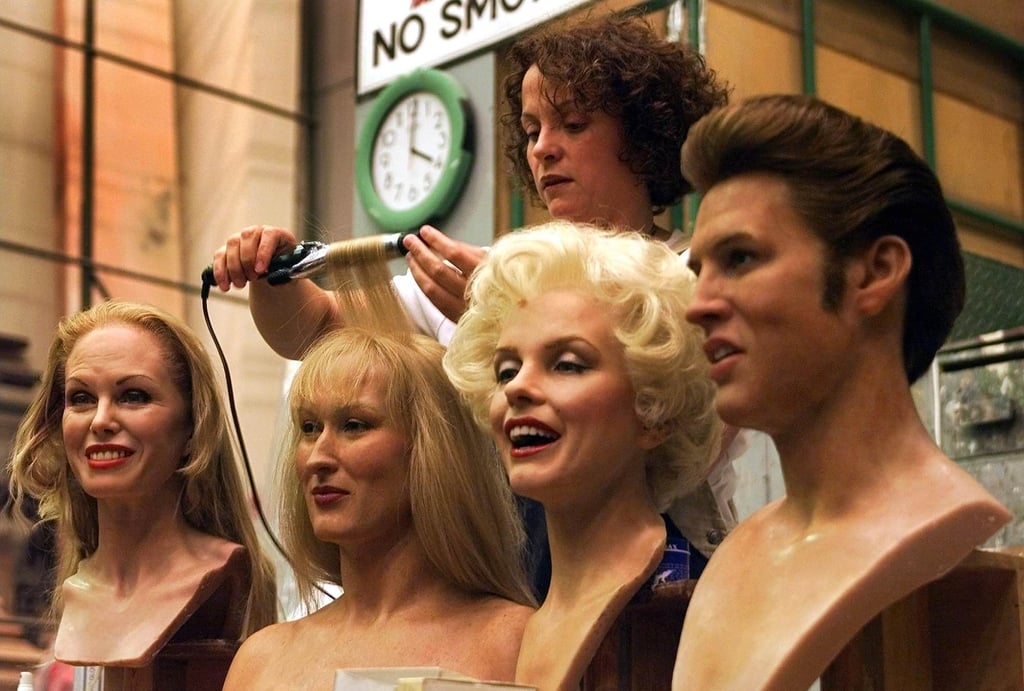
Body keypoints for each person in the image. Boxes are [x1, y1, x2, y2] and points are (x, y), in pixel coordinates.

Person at [210, 13, 740, 590]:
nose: (544, 149)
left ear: (643, 135)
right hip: (504, 577)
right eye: (533, 129)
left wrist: (500, 324)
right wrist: (271, 273)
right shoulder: (488, 270)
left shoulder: (693, 275)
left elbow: (703, 430)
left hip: (660, 578)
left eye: (573, 123)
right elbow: (314, 333)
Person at [672, 94, 1012, 690]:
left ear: (875, 272)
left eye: (741, 258)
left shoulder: (934, 538)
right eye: (699, 270)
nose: (698, 304)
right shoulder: (734, 560)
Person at [444, 221, 721, 690]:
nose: (518, 388)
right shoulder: (512, 624)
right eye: (505, 369)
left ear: (654, 411)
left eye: (568, 364)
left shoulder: (696, 608)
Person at [221, 328, 535, 689]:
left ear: (434, 449)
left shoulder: (517, 644)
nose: (318, 458)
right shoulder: (262, 661)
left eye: (354, 425)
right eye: (309, 428)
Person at [7, 300, 277, 669]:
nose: (101, 420)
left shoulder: (218, 575)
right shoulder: (74, 588)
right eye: (81, 398)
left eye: (134, 396)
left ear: (192, 424)